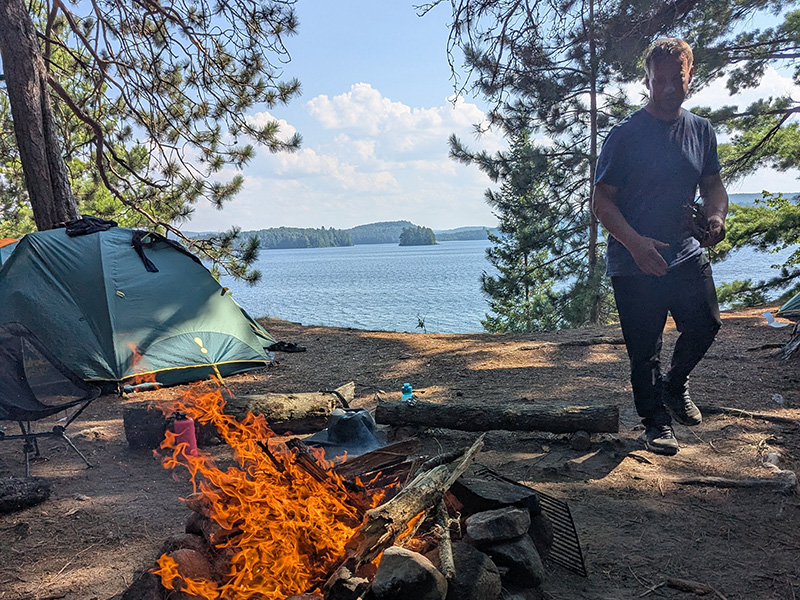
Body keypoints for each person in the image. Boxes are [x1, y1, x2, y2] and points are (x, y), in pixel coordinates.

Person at [592, 38, 729, 455]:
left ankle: (675, 384)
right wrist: (634, 244)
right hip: (634, 261)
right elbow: (601, 201)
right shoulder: (625, 135)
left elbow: (713, 187)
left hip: (685, 251)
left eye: (677, 79)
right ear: (647, 82)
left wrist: (717, 217)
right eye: (659, 80)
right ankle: (655, 422)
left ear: (690, 77)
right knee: (644, 349)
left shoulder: (701, 131)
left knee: (706, 324)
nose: (668, 88)